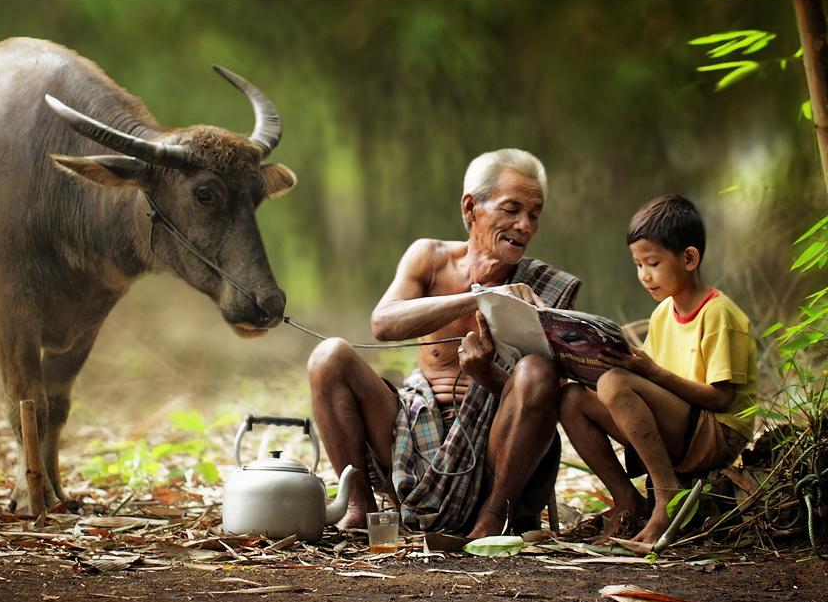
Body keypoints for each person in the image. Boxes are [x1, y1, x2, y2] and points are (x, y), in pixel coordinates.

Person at [308, 149, 580, 539]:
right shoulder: (429, 258)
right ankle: (359, 507)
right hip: (411, 432)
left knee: (537, 370)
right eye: (511, 209)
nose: (524, 225)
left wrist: (486, 375)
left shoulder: (545, 289)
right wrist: (480, 297)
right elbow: (383, 324)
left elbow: (543, 400)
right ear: (471, 208)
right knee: (328, 356)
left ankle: (492, 515)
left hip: (495, 446)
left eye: (534, 214)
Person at [559, 195, 756, 545]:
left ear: (689, 258)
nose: (644, 275)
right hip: (682, 422)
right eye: (637, 265)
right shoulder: (664, 313)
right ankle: (627, 500)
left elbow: (722, 399)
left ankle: (667, 497)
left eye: (652, 263)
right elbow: (645, 384)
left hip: (717, 432)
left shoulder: (719, 315)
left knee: (616, 383)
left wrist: (647, 371)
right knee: (572, 398)